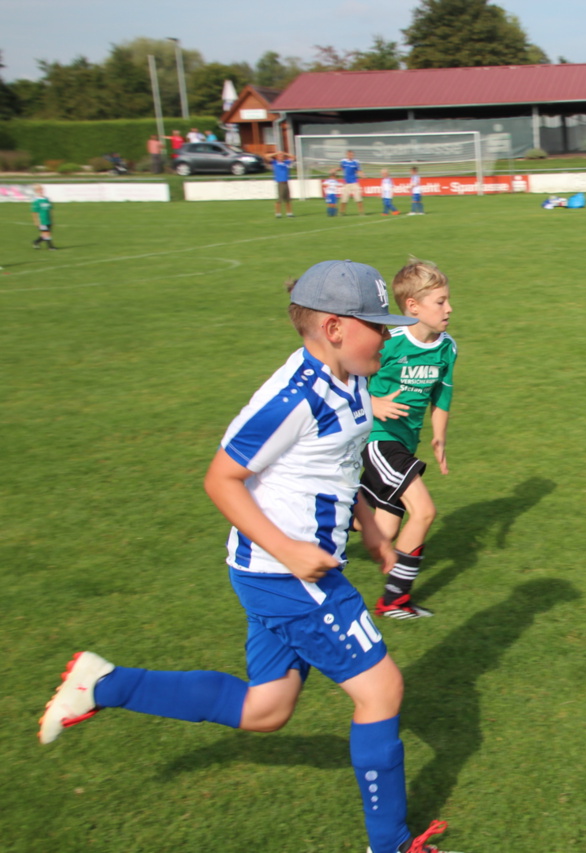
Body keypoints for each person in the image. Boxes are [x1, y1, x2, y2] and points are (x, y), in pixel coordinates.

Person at [38, 260, 451, 853]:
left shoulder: (354, 379)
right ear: (334, 328)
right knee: (381, 690)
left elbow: (341, 464)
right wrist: (289, 550)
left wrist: (371, 530)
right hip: (286, 573)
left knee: (266, 708)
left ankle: (103, 684)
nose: (387, 336)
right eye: (376, 326)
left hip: (273, 571)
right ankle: (389, 846)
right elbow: (221, 479)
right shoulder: (294, 397)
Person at [361, 259, 455, 620]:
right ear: (412, 306)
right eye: (440, 302)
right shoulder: (389, 343)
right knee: (424, 511)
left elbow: (442, 396)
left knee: (383, 533)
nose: (449, 308)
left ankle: (311, 516)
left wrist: (439, 437)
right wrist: (373, 403)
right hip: (377, 438)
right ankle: (394, 600)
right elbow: (345, 379)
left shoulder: (447, 348)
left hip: (405, 443)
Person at [30, 185, 56, 250]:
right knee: (47, 234)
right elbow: (34, 212)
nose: (41, 191)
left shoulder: (47, 199)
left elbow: (50, 210)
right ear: (36, 191)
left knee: (45, 235)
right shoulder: (36, 201)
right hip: (42, 220)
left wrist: (52, 220)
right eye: (39, 190)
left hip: (48, 220)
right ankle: (50, 247)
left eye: (41, 190)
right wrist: (36, 222)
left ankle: (36, 242)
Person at [270, 151, 295, 219]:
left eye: (282, 156)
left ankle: (289, 213)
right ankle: (278, 213)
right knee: (279, 199)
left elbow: (293, 157)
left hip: (286, 182)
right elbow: (266, 156)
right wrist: (276, 153)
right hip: (280, 183)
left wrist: (285, 153)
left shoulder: (286, 163)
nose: (281, 157)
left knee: (288, 199)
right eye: (279, 156)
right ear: (277, 157)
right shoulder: (275, 162)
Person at [340, 150, 365, 216]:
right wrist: (335, 170)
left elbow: (358, 170)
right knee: (344, 198)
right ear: (347, 155)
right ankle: (342, 212)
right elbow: (341, 168)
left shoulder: (356, 162)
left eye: (352, 155)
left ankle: (361, 212)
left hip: (354, 182)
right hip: (346, 183)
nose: (351, 156)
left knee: (358, 198)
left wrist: (361, 174)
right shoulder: (343, 161)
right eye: (350, 155)